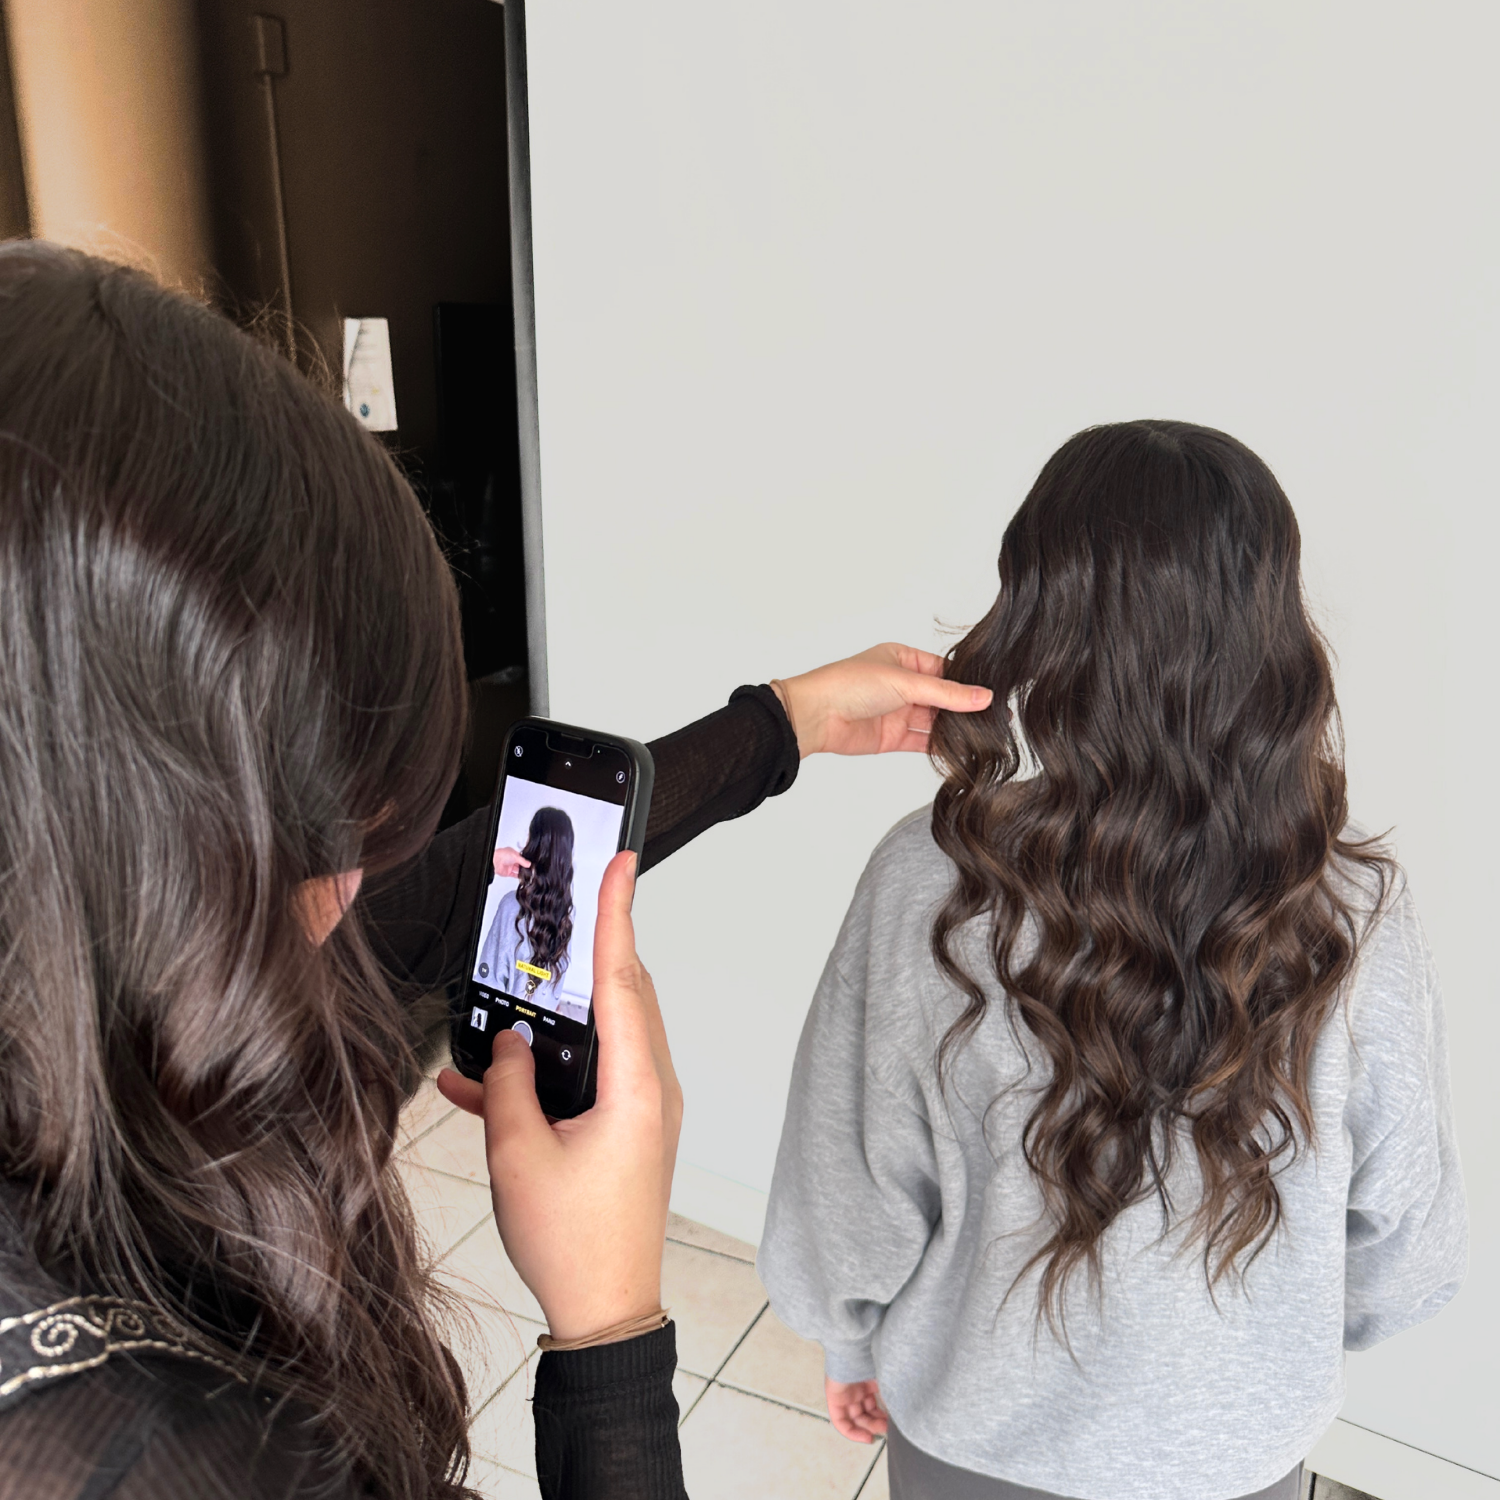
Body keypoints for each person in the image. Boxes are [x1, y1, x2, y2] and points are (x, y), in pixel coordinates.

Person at [0, 240, 992, 1500]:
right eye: (331, 844)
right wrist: (611, 1328)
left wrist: (777, 725)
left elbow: (429, 913)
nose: (359, 891)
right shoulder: (166, 1458)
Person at [758, 421, 1468, 1500]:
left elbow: (847, 1198)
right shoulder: (1352, 908)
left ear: (1040, 617)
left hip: (974, 1443)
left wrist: (848, 1344)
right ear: (1270, 627)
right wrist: (1269, 1349)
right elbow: (1404, 1240)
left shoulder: (930, 878)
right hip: (1234, 1461)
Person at [476, 806, 577, 1013]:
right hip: (539, 1031)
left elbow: (488, 982)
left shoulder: (511, 906)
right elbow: (553, 990)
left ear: (535, 847)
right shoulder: (568, 914)